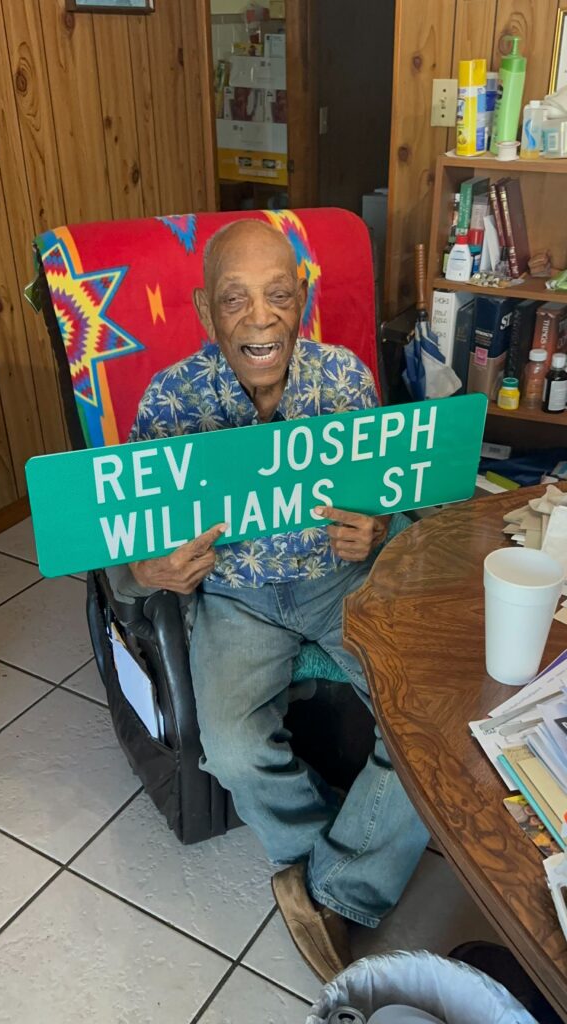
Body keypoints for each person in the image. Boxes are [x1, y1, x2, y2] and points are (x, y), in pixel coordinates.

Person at [117, 219, 428, 981]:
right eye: (235, 300)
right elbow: (123, 541)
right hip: (234, 597)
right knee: (226, 742)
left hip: (336, 580)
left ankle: (324, 888)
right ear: (202, 311)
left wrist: (380, 528)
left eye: (279, 295)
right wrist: (150, 569)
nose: (260, 317)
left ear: (304, 298)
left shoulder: (347, 379)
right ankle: (333, 861)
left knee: (432, 721)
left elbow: (396, 500)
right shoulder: (171, 400)